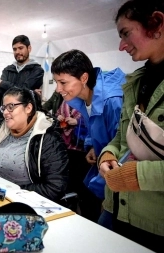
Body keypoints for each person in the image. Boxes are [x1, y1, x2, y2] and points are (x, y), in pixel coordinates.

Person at [97, 1, 164, 251]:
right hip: (115, 208)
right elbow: (122, 137)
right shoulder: (135, 83)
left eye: (126, 33)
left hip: (155, 224)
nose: (121, 45)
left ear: (157, 23)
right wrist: (108, 154)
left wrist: (135, 175)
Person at [51, 49, 126, 222]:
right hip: (101, 160)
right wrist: (92, 144)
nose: (57, 89)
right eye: (56, 82)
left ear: (84, 78)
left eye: (63, 82)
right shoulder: (83, 97)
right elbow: (92, 122)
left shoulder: (112, 100)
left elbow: (123, 145)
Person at [0, 35, 44, 131]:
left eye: (21, 48)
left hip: (27, 123)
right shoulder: (7, 70)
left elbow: (22, 91)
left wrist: (3, 83)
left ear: (29, 48)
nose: (17, 52)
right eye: (14, 49)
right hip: (6, 122)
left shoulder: (37, 70)